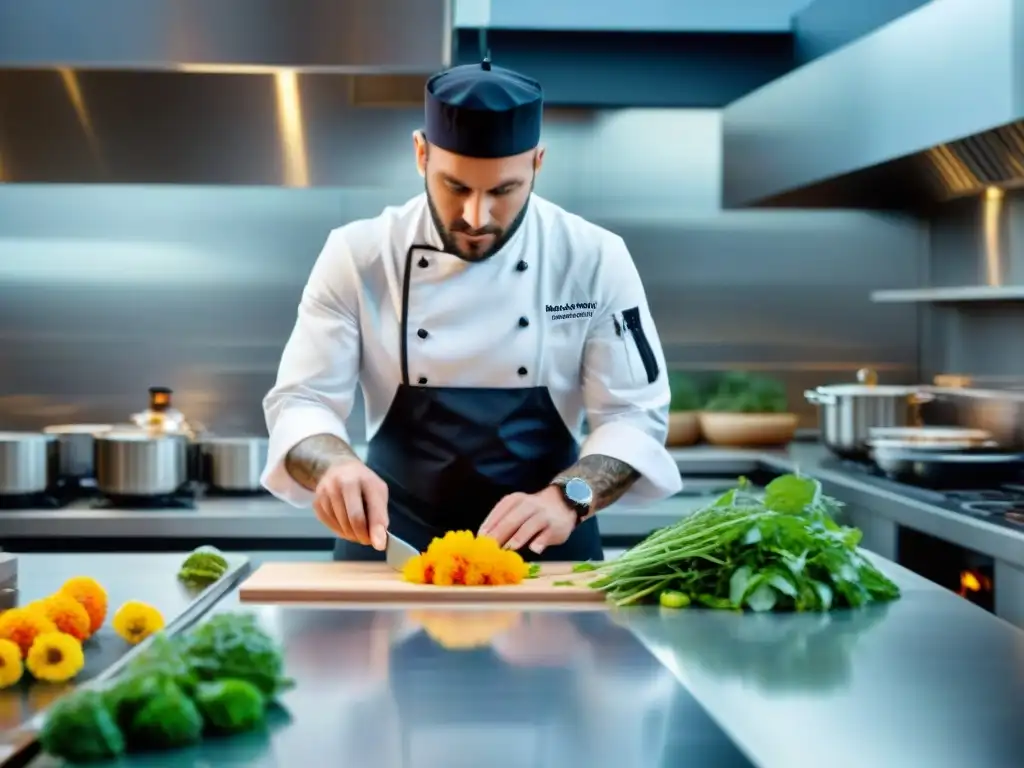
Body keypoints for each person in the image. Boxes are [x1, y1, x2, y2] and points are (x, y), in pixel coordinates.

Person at [261, 58, 682, 562]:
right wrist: (333, 466)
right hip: (391, 545)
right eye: (455, 186)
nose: (476, 217)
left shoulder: (593, 257)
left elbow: (634, 413)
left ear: (537, 164)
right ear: (421, 154)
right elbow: (302, 400)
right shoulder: (359, 254)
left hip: (548, 546)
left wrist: (569, 497)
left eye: (504, 190)